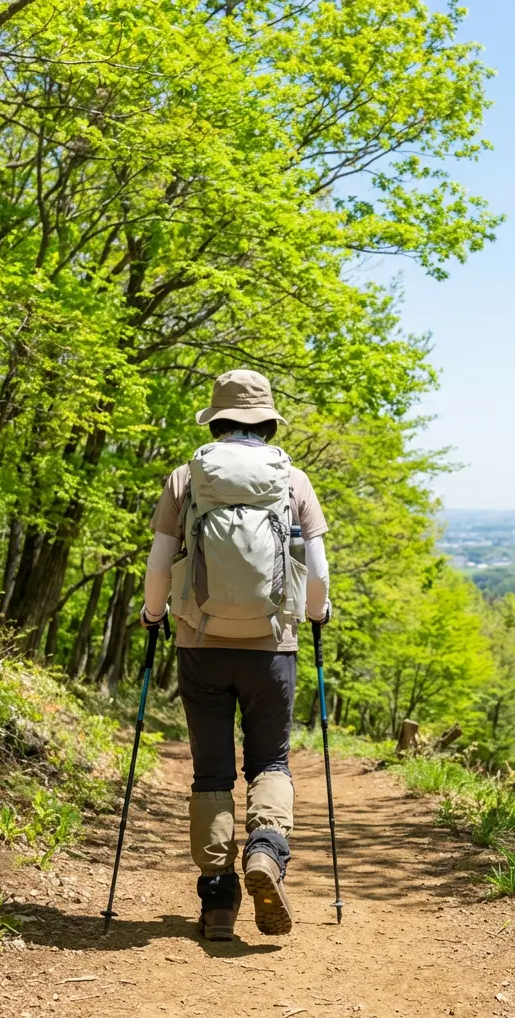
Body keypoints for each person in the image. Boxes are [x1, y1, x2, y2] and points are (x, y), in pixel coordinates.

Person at [141, 368, 330, 941]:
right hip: (272, 646)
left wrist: (154, 616)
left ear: (216, 420)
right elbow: (318, 574)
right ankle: (267, 854)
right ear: (267, 422)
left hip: (200, 643)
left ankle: (218, 903)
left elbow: (158, 566)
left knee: (212, 771)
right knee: (270, 761)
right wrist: (316, 614)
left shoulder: (185, 479)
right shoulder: (292, 480)